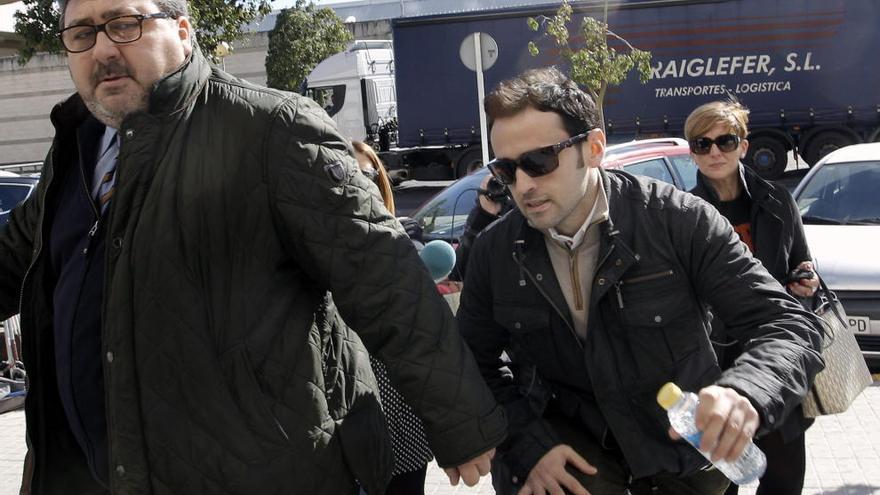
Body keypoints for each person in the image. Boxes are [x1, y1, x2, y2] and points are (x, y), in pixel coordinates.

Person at [0, 1, 505, 493]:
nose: (103, 48)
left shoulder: (270, 130)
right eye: (81, 34)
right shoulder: (74, 149)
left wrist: (460, 419)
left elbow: (384, 277)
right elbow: (16, 253)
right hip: (91, 471)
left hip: (259, 469)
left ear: (181, 29)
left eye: (123, 24)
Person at [456, 66, 824, 495]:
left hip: (683, 466)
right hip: (568, 470)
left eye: (539, 162)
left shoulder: (679, 221)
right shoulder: (495, 252)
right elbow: (470, 364)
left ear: (593, 148)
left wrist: (744, 393)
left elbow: (787, 326)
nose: (522, 185)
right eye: (505, 170)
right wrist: (528, 444)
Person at [685, 100, 819, 495]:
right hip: (713, 368)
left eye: (725, 141)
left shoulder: (778, 201)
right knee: (720, 483)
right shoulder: (683, 212)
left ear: (743, 146)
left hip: (773, 359)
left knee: (783, 481)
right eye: (701, 143)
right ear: (691, 150)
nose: (714, 152)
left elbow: (802, 261)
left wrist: (806, 279)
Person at [352, 140, 434, 495]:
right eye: (346, 174)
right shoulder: (311, 248)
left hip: (404, 416)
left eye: (366, 174)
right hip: (350, 418)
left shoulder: (406, 236)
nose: (358, 182)